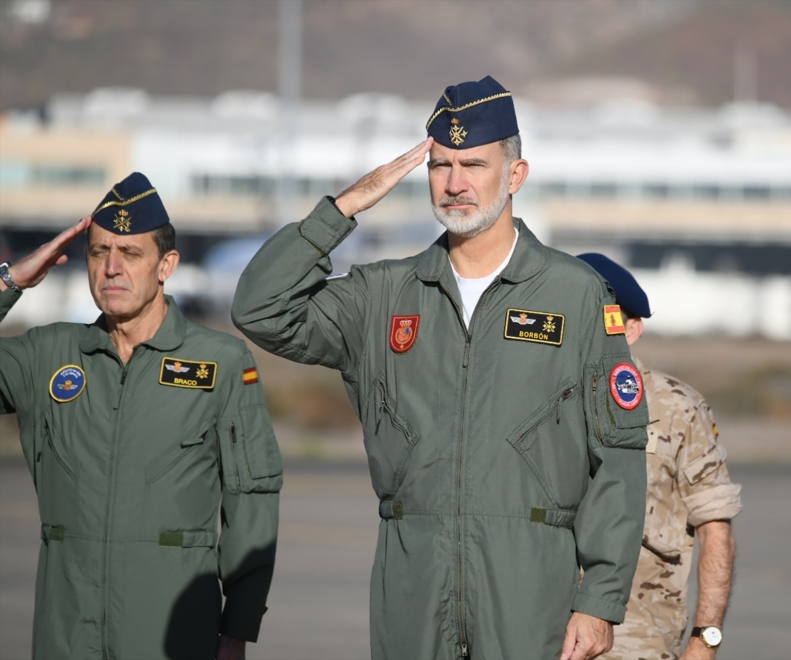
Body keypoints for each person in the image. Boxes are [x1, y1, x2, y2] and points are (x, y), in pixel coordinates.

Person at [232, 76, 648, 660]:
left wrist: (600, 599)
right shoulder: (382, 295)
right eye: (439, 166)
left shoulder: (574, 294)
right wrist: (343, 209)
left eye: (473, 165)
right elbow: (259, 309)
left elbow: (619, 453)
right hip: (412, 579)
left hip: (529, 585)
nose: (454, 184)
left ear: (515, 175)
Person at [0, 173, 282, 660]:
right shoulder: (46, 356)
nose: (111, 268)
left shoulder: (221, 363)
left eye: (130, 254)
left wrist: (237, 630)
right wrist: (9, 282)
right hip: (65, 635)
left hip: (172, 637)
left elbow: (251, 501)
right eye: (98, 252)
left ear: (165, 265)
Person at [576, 254, 742, 660]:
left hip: (637, 637)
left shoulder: (677, 407)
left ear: (632, 329)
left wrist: (705, 641)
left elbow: (715, 530)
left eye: (604, 318)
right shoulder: (523, 403)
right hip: (534, 630)